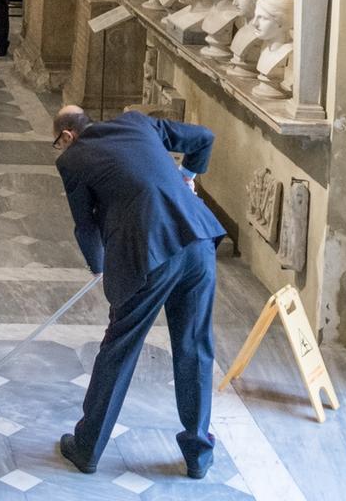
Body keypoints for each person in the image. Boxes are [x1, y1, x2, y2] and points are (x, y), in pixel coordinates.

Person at [52, 106, 224, 480]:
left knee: (120, 347)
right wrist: (186, 176)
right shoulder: (137, 121)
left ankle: (87, 447)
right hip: (197, 239)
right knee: (195, 346)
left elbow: (85, 227)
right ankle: (198, 453)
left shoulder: (73, 159)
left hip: (147, 254)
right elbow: (203, 138)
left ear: (67, 136)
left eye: (58, 143)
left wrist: (98, 267)